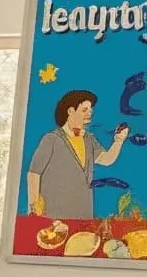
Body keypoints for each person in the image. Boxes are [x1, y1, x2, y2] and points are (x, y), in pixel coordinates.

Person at [27, 87, 128, 219]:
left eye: (90, 110)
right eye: (84, 110)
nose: (89, 113)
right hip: (54, 216)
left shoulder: (89, 139)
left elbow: (106, 159)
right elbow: (34, 173)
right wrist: (34, 209)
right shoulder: (51, 139)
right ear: (70, 111)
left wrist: (119, 140)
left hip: (83, 213)